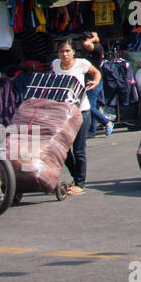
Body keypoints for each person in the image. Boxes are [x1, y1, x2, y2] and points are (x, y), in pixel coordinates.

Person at [53, 38, 101, 195]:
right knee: (63, 149)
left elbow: (96, 73)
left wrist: (94, 83)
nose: (64, 54)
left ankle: (80, 183)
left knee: (79, 149)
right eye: (62, 51)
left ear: (74, 51)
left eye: (67, 51)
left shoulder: (82, 63)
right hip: (63, 113)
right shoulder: (55, 65)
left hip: (81, 112)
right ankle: (76, 176)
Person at [80, 32, 113, 137]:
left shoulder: (97, 48)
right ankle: (92, 130)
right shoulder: (91, 48)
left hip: (94, 80)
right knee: (93, 106)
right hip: (91, 80)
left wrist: (94, 38)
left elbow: (86, 44)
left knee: (89, 106)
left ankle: (106, 122)